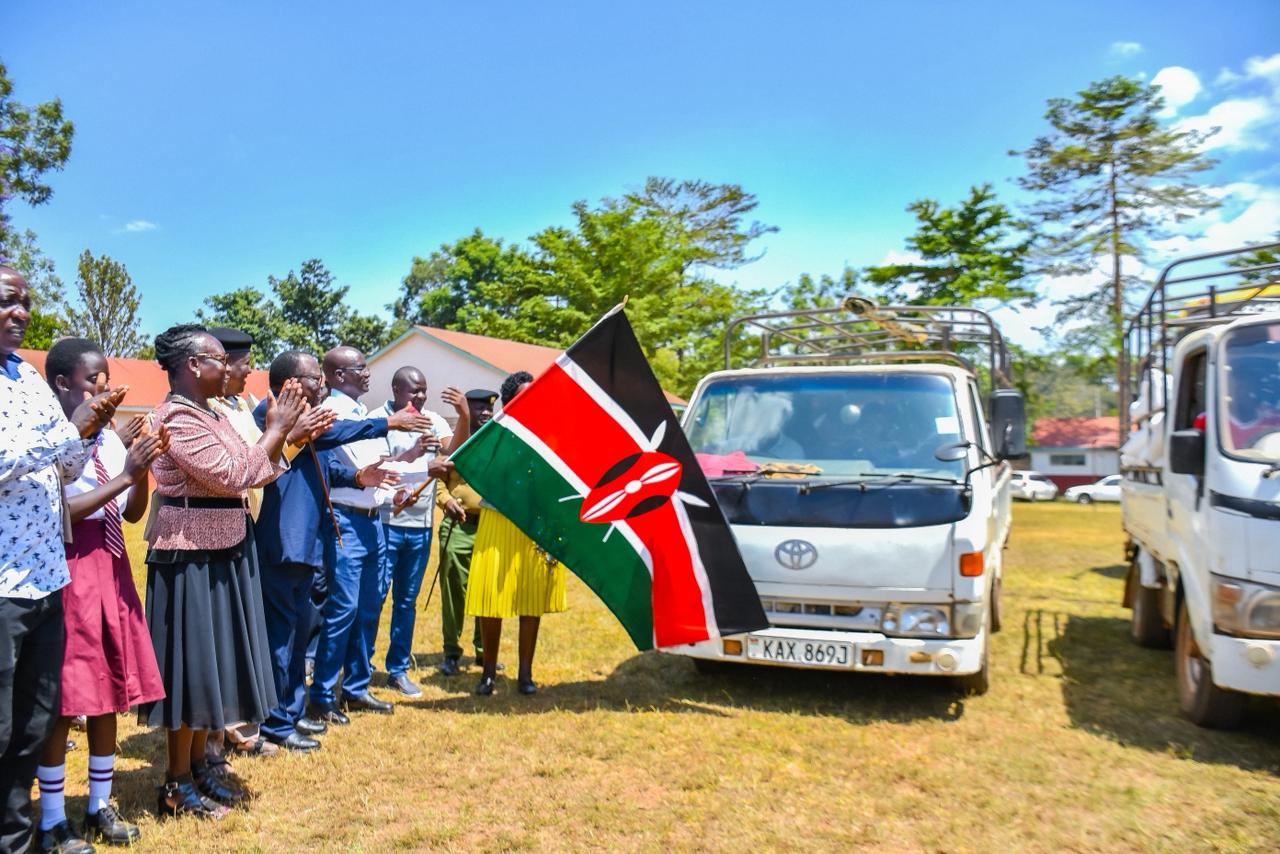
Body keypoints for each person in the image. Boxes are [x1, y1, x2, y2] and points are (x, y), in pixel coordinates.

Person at [137, 324, 307, 820]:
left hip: (223, 549)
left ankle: (198, 769)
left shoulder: (210, 414)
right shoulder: (175, 418)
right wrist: (276, 430)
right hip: (190, 555)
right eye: (219, 359)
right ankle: (174, 783)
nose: (229, 368)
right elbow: (234, 474)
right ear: (194, 364)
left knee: (210, 667)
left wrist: (279, 438)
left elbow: (257, 469)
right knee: (190, 671)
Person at [0, 266, 123, 854]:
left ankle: (22, 836)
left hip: (47, 575)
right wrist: (69, 432)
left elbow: (65, 465)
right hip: (3, 582)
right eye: (9, 300)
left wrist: (88, 434)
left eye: (26, 301)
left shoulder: (24, 375)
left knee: (34, 722)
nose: (22, 312)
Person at [254, 351, 428, 746]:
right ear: (290, 384)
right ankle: (275, 723)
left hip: (308, 540)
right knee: (282, 636)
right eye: (314, 378)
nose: (321, 384)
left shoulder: (305, 416)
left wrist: (358, 476)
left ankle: (292, 712)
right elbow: (332, 434)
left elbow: (327, 465)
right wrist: (388, 422)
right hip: (283, 539)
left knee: (300, 633)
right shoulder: (272, 413)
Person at [36, 338, 169, 849]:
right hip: (72, 565)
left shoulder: (109, 440)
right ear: (62, 384)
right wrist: (124, 476)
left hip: (111, 568)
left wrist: (141, 470)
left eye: (106, 380)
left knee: (108, 691)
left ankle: (99, 804)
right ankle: (52, 815)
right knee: (65, 696)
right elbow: (62, 511)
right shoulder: (50, 439)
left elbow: (131, 514)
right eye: (92, 381)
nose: (103, 390)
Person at [309, 347, 440, 720]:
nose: (368, 374)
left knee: (368, 608)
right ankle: (322, 694)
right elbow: (356, 470)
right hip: (345, 521)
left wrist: (396, 488)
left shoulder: (361, 414)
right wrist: (422, 466)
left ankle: (355, 688)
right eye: (360, 368)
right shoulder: (332, 414)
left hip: (372, 521)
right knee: (343, 610)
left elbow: (377, 471)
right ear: (338, 376)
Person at [466, 372, 567, 697]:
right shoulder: (493, 432)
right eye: (525, 394)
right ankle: (488, 673)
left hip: (535, 525)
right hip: (498, 521)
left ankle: (525, 673)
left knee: (531, 599)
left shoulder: (549, 434)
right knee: (490, 599)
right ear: (509, 400)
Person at [377, 367, 469, 697]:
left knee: (406, 601)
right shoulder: (379, 420)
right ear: (396, 389)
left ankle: (397, 669)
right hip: (386, 523)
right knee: (375, 598)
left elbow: (452, 453)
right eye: (413, 390)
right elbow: (376, 466)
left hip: (419, 527)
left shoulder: (433, 420)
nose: (420, 396)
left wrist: (463, 415)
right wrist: (413, 456)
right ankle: (361, 665)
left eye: (423, 390)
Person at [206, 327, 268, 761]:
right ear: (223, 365)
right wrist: (281, 432)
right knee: (217, 632)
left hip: (243, 522)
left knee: (240, 626)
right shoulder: (203, 410)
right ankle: (212, 735)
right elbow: (236, 467)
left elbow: (261, 460)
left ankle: (237, 727)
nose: (249, 373)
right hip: (210, 531)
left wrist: (289, 435)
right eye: (245, 364)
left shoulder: (239, 405)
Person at [435, 389, 498, 676]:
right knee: (454, 592)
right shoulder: (453, 443)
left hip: (490, 527)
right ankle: (451, 652)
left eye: (489, 408)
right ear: (465, 410)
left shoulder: (497, 442)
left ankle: (485, 652)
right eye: (479, 407)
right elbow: (438, 481)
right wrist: (446, 500)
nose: (486, 412)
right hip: (459, 527)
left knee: (488, 592)